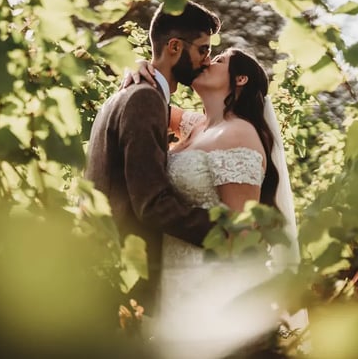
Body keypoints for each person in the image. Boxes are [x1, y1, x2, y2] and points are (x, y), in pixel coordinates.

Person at [125, 48, 306, 358]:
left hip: (208, 286)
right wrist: (141, 69)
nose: (208, 61)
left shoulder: (239, 134)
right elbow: (149, 106)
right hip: (172, 277)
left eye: (219, 60)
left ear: (240, 78)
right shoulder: (197, 126)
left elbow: (241, 233)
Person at [84, 0, 221, 312]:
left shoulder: (130, 94)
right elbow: (151, 204)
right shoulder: (144, 98)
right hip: (121, 282)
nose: (206, 60)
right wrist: (224, 232)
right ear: (174, 47)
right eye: (203, 49)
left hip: (104, 271)